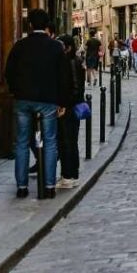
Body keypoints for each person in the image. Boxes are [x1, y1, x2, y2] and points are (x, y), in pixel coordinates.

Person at [4, 7, 69, 199]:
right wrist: (62, 101)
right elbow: (63, 76)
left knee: (22, 142)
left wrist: (16, 91)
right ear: (47, 25)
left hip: (23, 100)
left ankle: (22, 187)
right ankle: (49, 186)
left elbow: (8, 72)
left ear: (30, 25)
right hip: (48, 101)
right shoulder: (56, 47)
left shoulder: (20, 46)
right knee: (50, 142)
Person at [57, 35, 85, 188]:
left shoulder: (71, 62)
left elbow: (75, 88)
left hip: (70, 108)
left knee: (67, 141)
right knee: (71, 141)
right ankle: (72, 174)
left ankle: (69, 175)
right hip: (73, 106)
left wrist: (65, 106)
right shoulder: (76, 61)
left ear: (67, 47)